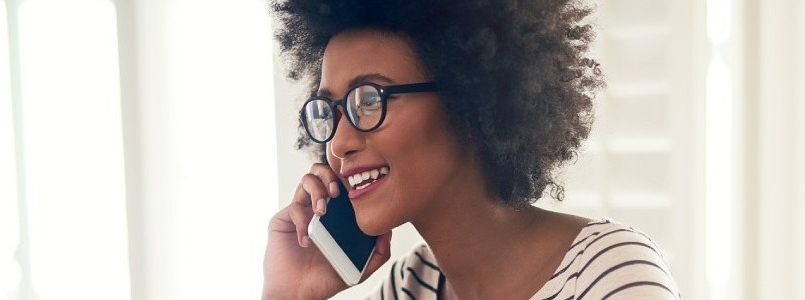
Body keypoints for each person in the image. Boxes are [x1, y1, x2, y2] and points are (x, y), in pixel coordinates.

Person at [262, 0, 680, 299]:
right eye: (329, 112)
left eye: (369, 100)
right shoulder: (410, 287)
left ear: (470, 99)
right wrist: (290, 295)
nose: (338, 143)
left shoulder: (610, 276)